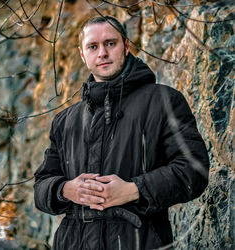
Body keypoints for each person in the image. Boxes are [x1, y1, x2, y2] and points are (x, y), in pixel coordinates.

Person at [34, 16, 209, 250]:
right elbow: (41, 186)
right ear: (82, 55)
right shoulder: (66, 121)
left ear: (126, 46)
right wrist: (66, 189)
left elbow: (193, 170)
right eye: (93, 47)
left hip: (139, 241)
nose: (102, 53)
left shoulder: (164, 102)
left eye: (110, 43)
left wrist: (133, 190)